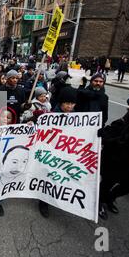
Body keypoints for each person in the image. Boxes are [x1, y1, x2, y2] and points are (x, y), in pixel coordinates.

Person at [38, 87, 78, 218]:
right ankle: (43, 202)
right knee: (48, 176)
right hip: (52, 152)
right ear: (61, 103)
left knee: (59, 176)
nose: (69, 106)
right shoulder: (52, 116)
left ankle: (55, 196)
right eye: (67, 103)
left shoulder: (78, 117)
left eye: (72, 104)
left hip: (65, 152)